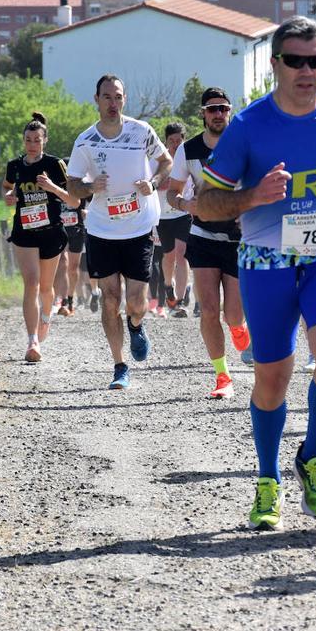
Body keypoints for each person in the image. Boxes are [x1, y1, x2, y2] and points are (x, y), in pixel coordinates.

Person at [195, 16, 316, 531]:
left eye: (314, 60)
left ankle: (312, 456)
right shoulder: (249, 126)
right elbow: (206, 205)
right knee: (273, 377)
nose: (305, 70)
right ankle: (268, 479)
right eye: (293, 60)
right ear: (275, 63)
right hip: (265, 261)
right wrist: (253, 196)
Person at [66, 74, 173, 390]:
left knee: (137, 301)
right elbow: (72, 184)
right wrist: (88, 186)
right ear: (96, 100)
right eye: (107, 97)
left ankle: (136, 325)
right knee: (110, 298)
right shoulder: (85, 140)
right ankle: (119, 365)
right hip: (101, 230)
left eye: (118, 97)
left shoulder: (141, 132)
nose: (113, 103)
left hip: (138, 227)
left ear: (124, 100)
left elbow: (165, 162)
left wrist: (152, 183)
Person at [167, 87, 253, 400]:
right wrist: (186, 205)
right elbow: (172, 191)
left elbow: (258, 185)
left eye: (223, 109)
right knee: (208, 310)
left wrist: (250, 212)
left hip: (237, 238)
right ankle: (222, 376)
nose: (218, 114)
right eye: (212, 109)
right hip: (202, 235)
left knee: (233, 313)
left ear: (230, 112)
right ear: (203, 113)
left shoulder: (244, 144)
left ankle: (240, 327)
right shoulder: (187, 150)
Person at [3, 112, 79, 362]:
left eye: (37, 140)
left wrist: (50, 187)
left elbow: (73, 199)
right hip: (24, 231)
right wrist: (9, 196)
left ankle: (46, 315)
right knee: (32, 283)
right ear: (23, 140)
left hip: (51, 232)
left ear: (45, 140)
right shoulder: (14, 165)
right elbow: (7, 187)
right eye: (28, 140)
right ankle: (32, 340)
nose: (32, 144)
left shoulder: (55, 164)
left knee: (46, 287)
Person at [157, 122, 192, 317]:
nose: (176, 144)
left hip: (183, 212)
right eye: (172, 141)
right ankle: (168, 286)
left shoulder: (188, 158)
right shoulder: (160, 159)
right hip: (163, 215)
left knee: (181, 254)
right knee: (168, 256)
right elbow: (156, 185)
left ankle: (180, 300)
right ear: (166, 141)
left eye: (179, 140)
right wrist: (168, 181)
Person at [54, 192, 87, 317]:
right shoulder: (54, 180)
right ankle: (60, 300)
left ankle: (70, 298)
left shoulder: (78, 182)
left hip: (76, 229)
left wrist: (88, 211)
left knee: (73, 268)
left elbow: (94, 198)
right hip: (59, 228)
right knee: (62, 263)